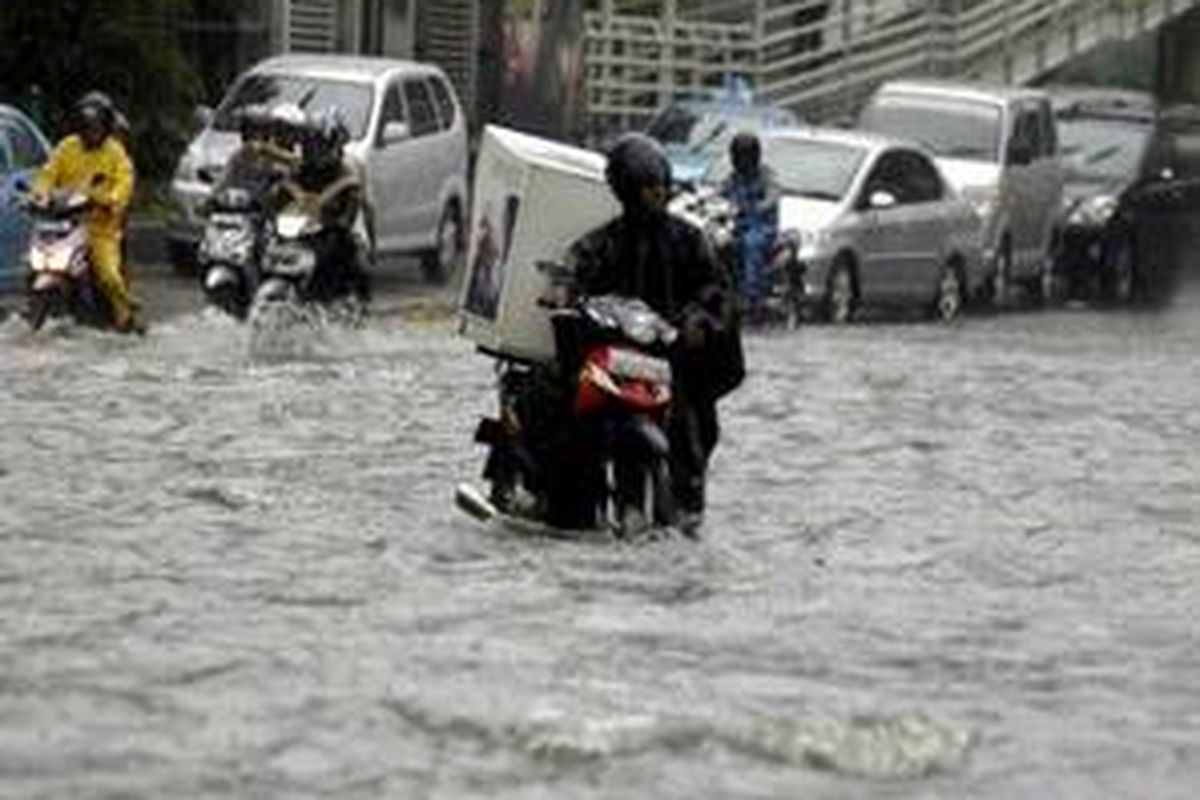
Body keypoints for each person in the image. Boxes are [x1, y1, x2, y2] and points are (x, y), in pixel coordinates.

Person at [565, 132, 745, 532]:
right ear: (628, 190)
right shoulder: (606, 242)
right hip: (619, 362)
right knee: (576, 422)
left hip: (674, 362)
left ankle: (688, 509)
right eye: (649, 188)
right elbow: (576, 269)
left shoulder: (688, 239)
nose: (658, 195)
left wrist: (700, 321)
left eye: (662, 187)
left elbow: (717, 290)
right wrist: (567, 292)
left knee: (692, 427)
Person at [33, 91, 142, 333]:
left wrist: (111, 200)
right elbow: (47, 174)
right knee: (35, 260)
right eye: (86, 126)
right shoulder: (66, 147)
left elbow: (124, 182)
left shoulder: (115, 152)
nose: (91, 131)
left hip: (100, 228)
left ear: (106, 127)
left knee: (110, 277)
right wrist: (40, 194)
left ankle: (125, 317)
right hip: (65, 225)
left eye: (96, 126)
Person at [269, 106, 372, 304]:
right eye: (310, 144)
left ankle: (342, 302)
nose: (314, 150)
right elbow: (284, 186)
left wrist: (334, 210)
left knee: (349, 255)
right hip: (303, 230)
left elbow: (354, 192)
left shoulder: (346, 168)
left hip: (336, 231)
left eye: (318, 144)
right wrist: (289, 194)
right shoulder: (303, 168)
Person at [720, 132, 780, 323]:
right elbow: (720, 194)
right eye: (738, 156)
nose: (741, 160)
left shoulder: (767, 176)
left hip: (760, 226)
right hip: (736, 225)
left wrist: (758, 206)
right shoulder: (732, 178)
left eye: (744, 156)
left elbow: (773, 195)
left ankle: (751, 298)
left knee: (750, 244)